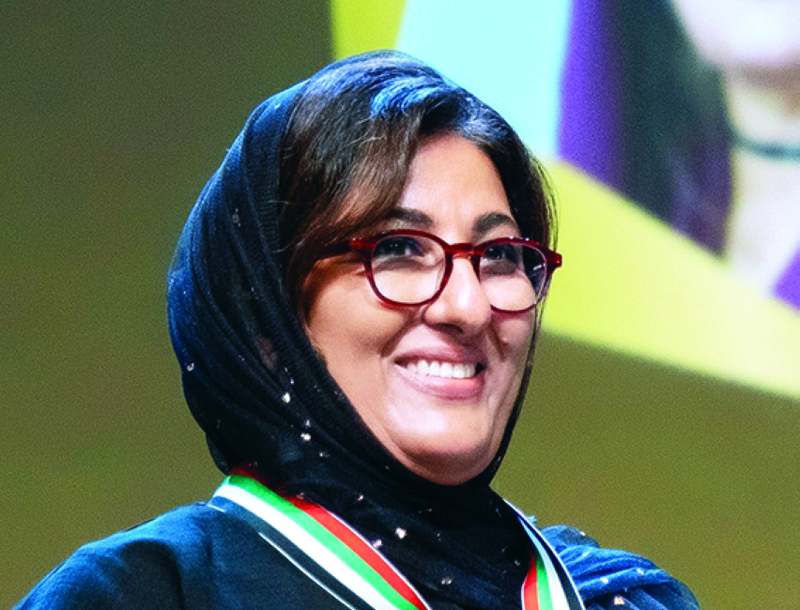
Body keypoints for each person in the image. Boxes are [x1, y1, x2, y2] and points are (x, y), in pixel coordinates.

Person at [14, 51, 699, 610]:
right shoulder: (145, 595)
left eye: (498, 256)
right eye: (398, 249)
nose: (468, 307)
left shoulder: (622, 601)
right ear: (271, 319)